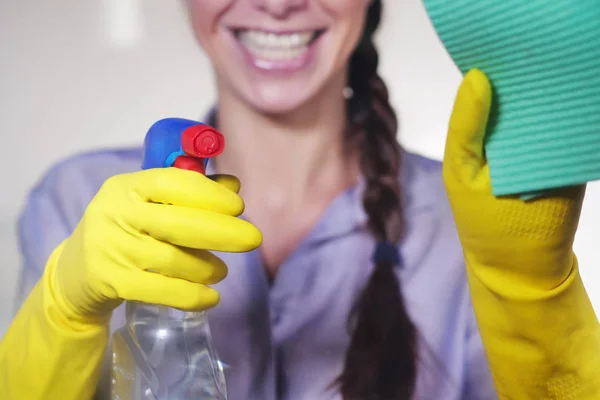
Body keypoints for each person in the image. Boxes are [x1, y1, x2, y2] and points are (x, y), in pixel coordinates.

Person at [1, 1, 599, 400]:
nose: (279, 2)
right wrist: (63, 315)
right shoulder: (78, 202)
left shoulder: (466, 223)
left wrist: (530, 295)